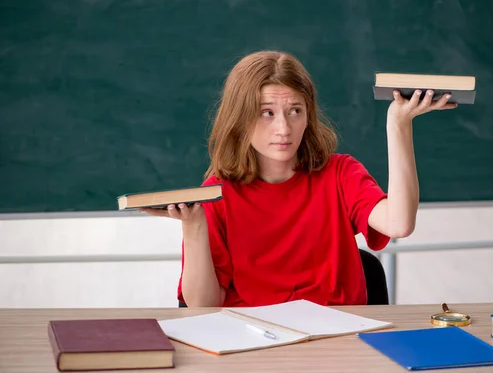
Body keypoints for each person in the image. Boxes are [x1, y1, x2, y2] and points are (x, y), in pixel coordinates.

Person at [140, 50, 457, 307]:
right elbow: (202, 308)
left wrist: (398, 126)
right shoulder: (216, 195)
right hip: (253, 348)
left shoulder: (340, 173)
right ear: (241, 118)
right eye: (267, 113)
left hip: (340, 343)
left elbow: (399, 224)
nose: (283, 128)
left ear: (309, 115)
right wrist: (193, 227)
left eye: (295, 111)